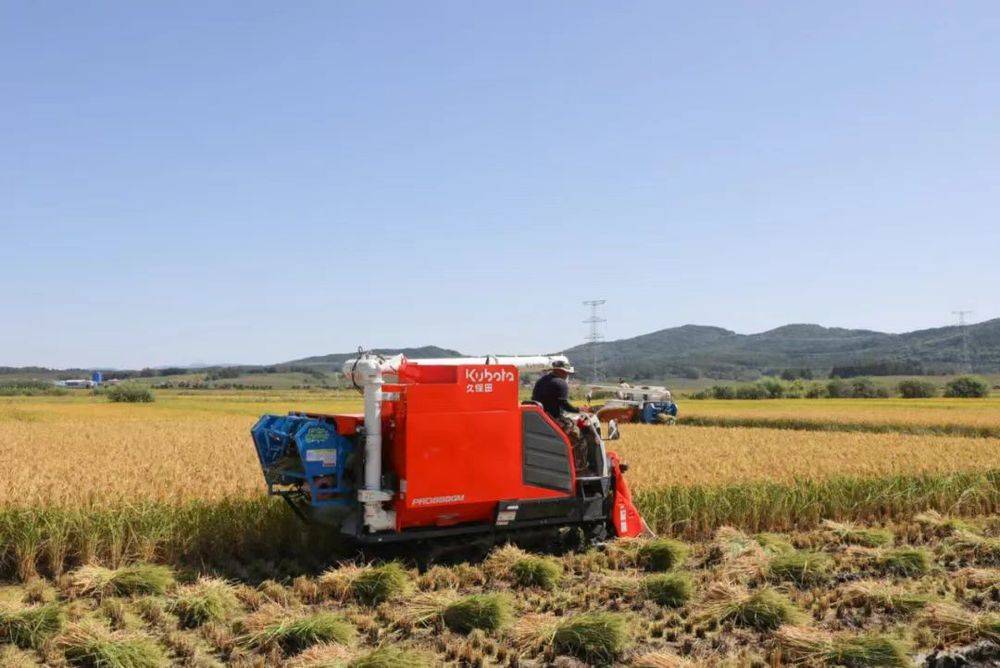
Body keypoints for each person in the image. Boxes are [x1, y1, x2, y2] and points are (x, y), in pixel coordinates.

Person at [532, 360, 593, 472]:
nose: (567, 375)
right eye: (566, 372)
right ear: (560, 371)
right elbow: (564, 405)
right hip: (553, 419)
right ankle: (581, 469)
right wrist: (578, 410)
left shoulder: (540, 381)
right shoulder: (560, 383)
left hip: (541, 417)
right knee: (579, 438)